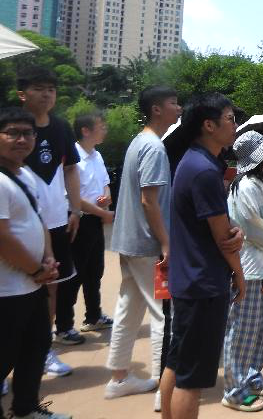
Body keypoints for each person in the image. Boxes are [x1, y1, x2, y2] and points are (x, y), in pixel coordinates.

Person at [159, 93, 244, 419]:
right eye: (230, 119)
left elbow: (220, 226)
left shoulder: (193, 161)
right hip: (204, 283)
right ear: (209, 125)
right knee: (191, 380)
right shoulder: (204, 170)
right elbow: (224, 239)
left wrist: (234, 229)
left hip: (189, 279)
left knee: (178, 363)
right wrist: (239, 274)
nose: (235, 125)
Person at [105, 86, 180, 403]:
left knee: (129, 308)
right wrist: (166, 243)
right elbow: (149, 201)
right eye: (173, 103)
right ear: (156, 109)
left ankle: (119, 378)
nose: (179, 108)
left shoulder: (139, 142)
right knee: (164, 314)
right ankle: (165, 391)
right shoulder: (154, 147)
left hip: (129, 241)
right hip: (148, 245)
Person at [0, 106, 71, 419]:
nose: (21, 139)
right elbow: (2, 238)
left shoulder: (25, 173)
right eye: (12, 133)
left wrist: (49, 258)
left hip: (32, 283)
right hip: (6, 289)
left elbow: (38, 220)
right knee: (5, 354)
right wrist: (36, 269)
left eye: (27, 133)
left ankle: (26, 408)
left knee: (37, 345)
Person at [16, 66, 81, 378]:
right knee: (12, 289)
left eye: (51, 89)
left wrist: (75, 209)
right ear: (22, 93)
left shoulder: (61, 128)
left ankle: (43, 349)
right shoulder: (13, 127)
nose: (46, 94)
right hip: (17, 224)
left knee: (51, 286)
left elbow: (70, 169)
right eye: (39, 88)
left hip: (55, 222)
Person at [222, 131, 263, 412]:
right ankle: (234, 391)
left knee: (258, 330)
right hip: (248, 268)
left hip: (262, 267)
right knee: (241, 332)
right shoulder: (245, 186)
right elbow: (255, 229)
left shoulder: (259, 185)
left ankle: (251, 378)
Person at [55, 112, 114, 346]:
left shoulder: (97, 155)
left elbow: (105, 184)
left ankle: (94, 316)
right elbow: (73, 197)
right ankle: (63, 327)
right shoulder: (73, 157)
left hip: (95, 220)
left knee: (94, 270)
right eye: (101, 126)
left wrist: (106, 198)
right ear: (85, 131)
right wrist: (102, 213)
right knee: (74, 274)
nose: (105, 129)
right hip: (78, 221)